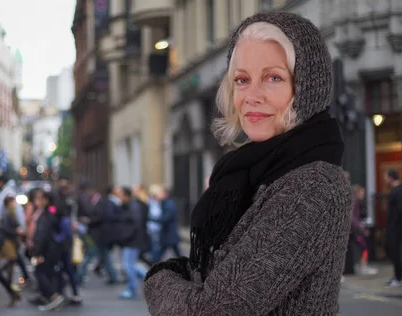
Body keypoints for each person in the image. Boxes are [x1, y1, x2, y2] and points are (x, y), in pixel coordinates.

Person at [143, 12, 351, 315]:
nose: (252, 96)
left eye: (274, 78)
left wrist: (158, 278)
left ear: (308, 87)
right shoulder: (242, 174)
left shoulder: (314, 185)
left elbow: (213, 310)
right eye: (242, 80)